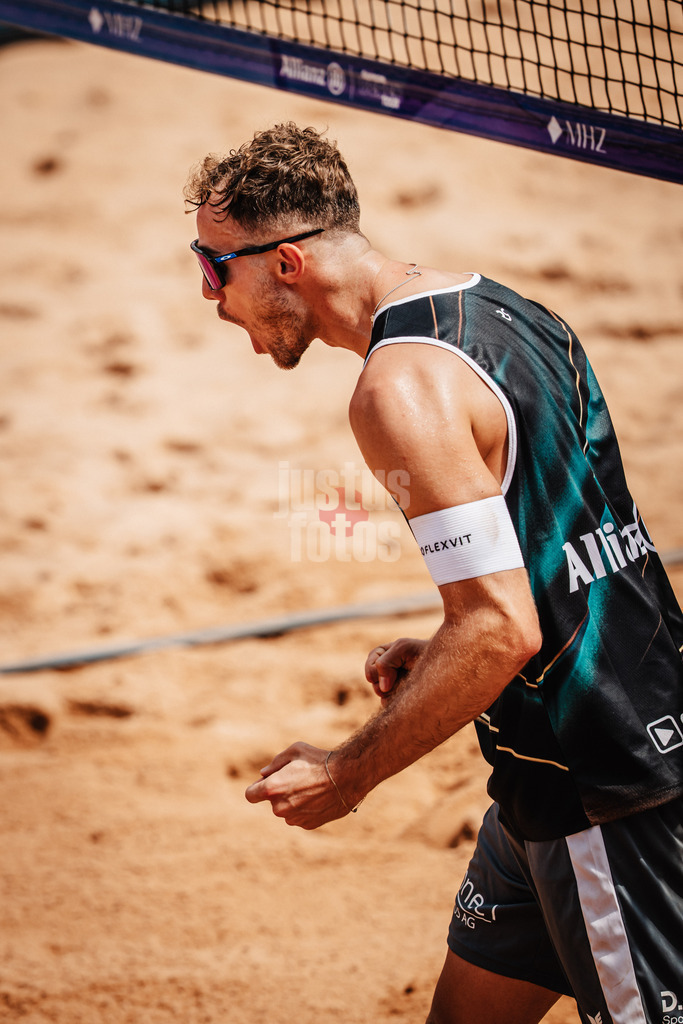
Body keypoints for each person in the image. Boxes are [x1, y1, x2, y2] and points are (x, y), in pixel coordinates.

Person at [184, 123, 683, 1024]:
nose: (211, 297)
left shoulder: (395, 390)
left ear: (285, 262)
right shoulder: (510, 310)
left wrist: (345, 774)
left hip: (603, 787)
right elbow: (561, 552)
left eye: (216, 268)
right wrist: (447, 648)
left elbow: (501, 628)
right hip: (553, 759)